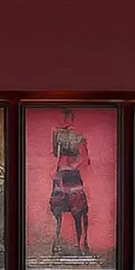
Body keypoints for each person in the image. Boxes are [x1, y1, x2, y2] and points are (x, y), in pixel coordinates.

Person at [48, 108, 92, 255]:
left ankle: (81, 243)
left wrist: (72, 166)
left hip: (71, 175)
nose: (65, 121)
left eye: (67, 117)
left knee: (80, 210)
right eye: (63, 117)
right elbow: (56, 153)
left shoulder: (78, 136)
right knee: (56, 208)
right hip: (61, 175)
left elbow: (85, 158)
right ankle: (56, 241)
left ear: (71, 118)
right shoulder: (57, 134)